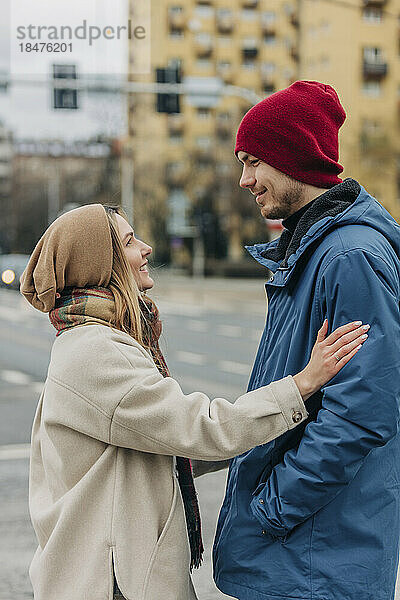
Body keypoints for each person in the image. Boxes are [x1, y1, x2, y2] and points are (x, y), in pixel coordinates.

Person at [19, 204, 366, 600]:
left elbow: (167, 450)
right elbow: (198, 429)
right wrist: (301, 386)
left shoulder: (96, 340)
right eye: (130, 241)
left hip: (113, 576)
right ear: (103, 263)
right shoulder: (95, 351)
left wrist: (272, 431)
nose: (146, 248)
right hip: (115, 584)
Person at [211, 80, 400, 600]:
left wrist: (274, 505)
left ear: (293, 156)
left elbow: (363, 411)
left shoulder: (348, 256)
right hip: (304, 556)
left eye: (254, 161)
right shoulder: (312, 251)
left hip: (318, 559)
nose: (245, 179)